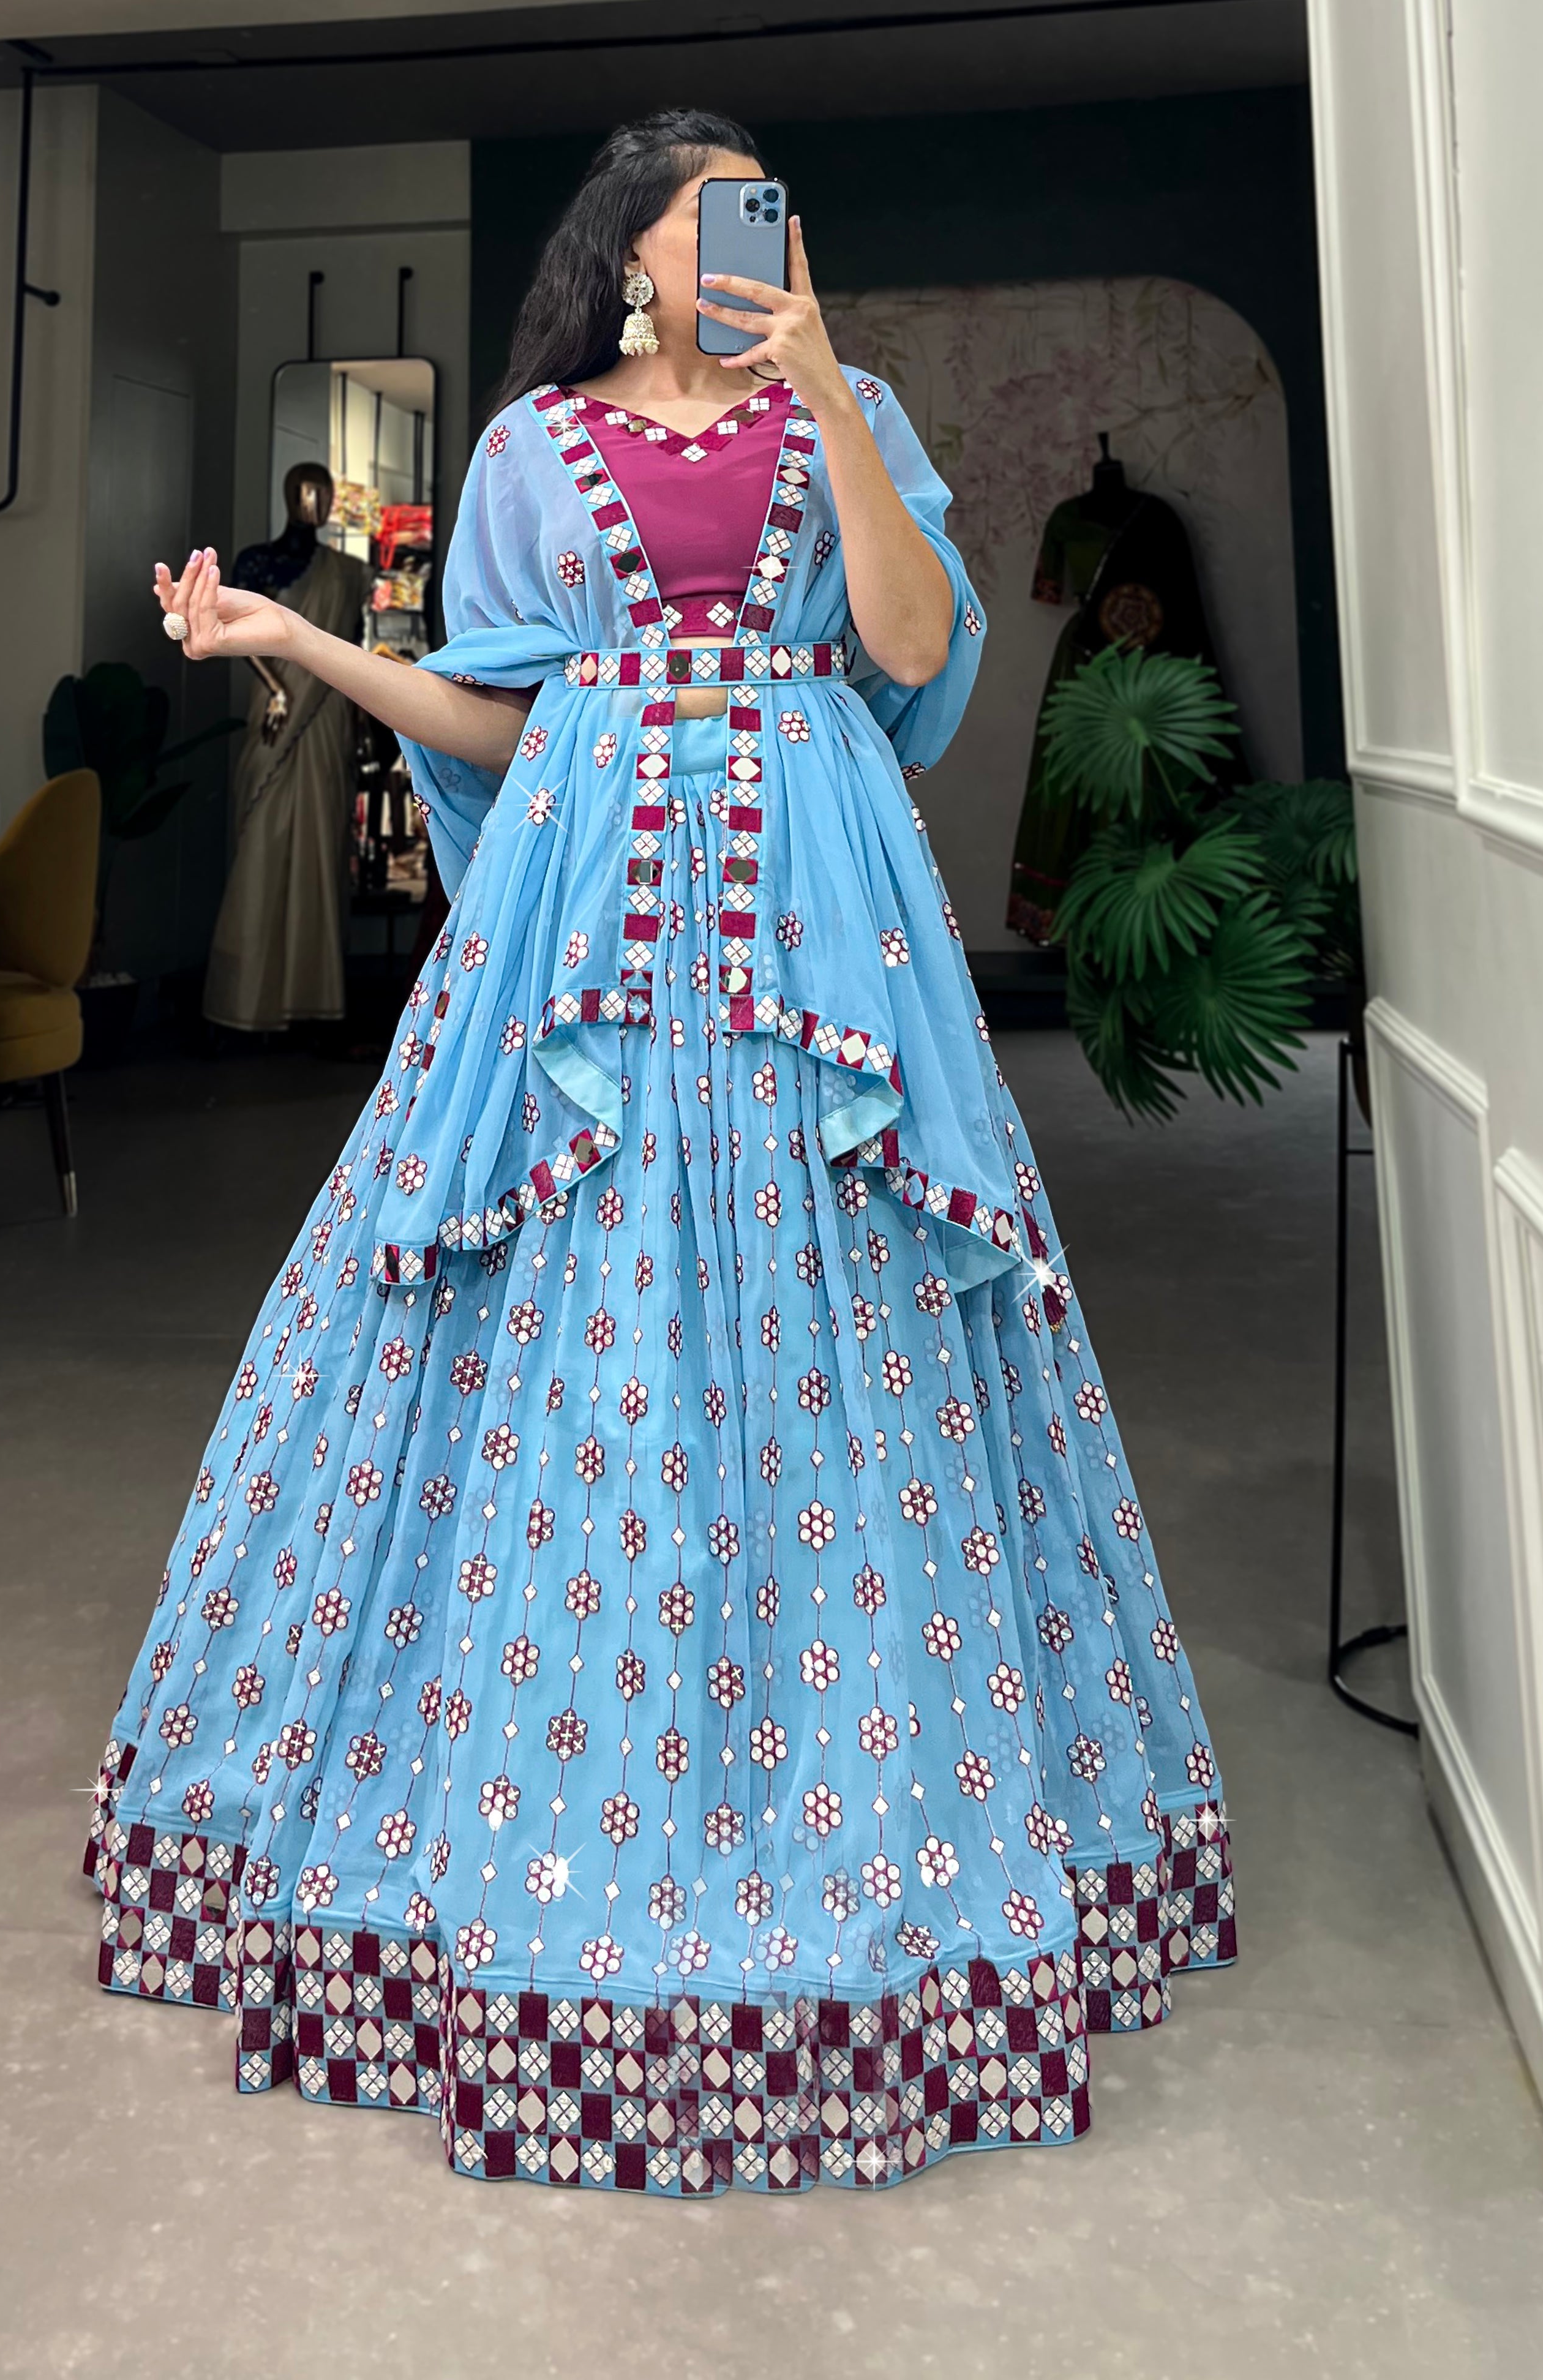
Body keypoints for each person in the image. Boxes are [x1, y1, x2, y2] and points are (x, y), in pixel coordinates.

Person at [86, 108, 1234, 2198]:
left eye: (771, 211)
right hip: (584, 929)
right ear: (632, 247)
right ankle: (542, 1830)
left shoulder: (846, 406)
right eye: (717, 215)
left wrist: (827, 386)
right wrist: (302, 649)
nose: (753, 239)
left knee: (851, 1336)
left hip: (815, 921)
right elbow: (500, 717)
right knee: (564, 1343)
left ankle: (869, 1820)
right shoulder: (532, 448)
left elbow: (910, 653)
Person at [203, 463, 370, 1034]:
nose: (316, 502)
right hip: (276, 714)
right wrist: (276, 690)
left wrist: (359, 717)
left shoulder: (348, 573)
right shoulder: (256, 562)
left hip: (328, 716)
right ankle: (247, 1000)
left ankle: (315, 998)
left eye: (324, 493)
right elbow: (230, 631)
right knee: (262, 841)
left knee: (323, 843)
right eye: (306, 492)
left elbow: (352, 649)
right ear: (287, 495)